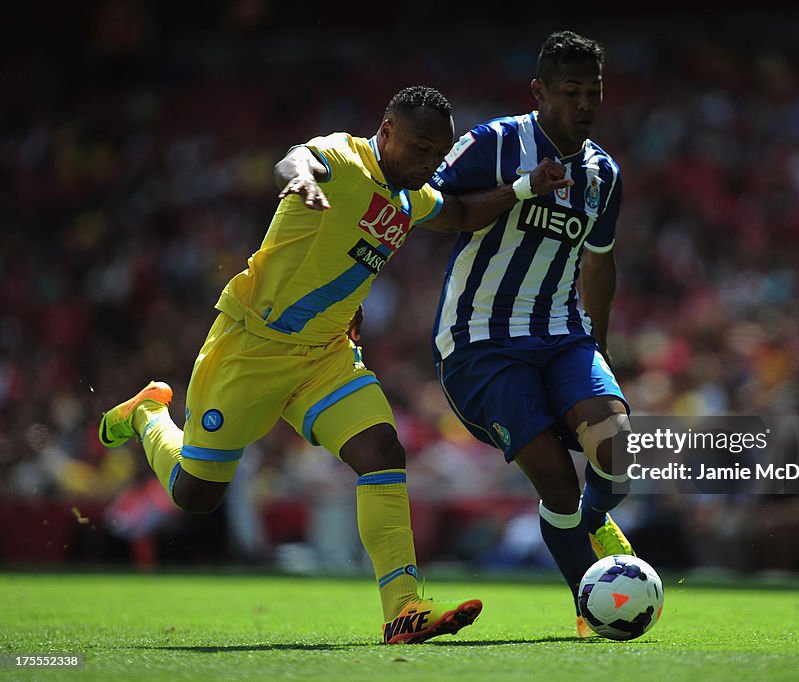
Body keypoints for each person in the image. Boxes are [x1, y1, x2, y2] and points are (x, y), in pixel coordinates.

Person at [97, 86, 570, 645]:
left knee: (381, 451)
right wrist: (298, 177)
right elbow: (296, 159)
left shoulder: (411, 198)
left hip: (325, 357)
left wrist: (522, 187)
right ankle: (152, 415)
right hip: (252, 349)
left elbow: (462, 212)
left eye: (436, 155)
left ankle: (403, 609)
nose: (427, 163)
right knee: (196, 494)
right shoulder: (343, 160)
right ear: (387, 130)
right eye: (418, 148)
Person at [429, 32, 635, 637]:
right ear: (539, 91)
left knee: (618, 451)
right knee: (554, 478)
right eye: (570, 92)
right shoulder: (493, 144)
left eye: (593, 92)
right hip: (480, 338)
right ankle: (591, 604)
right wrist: (519, 190)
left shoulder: (603, 174)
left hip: (562, 334)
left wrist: (599, 343)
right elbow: (430, 207)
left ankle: (596, 521)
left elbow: (599, 261)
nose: (584, 104)